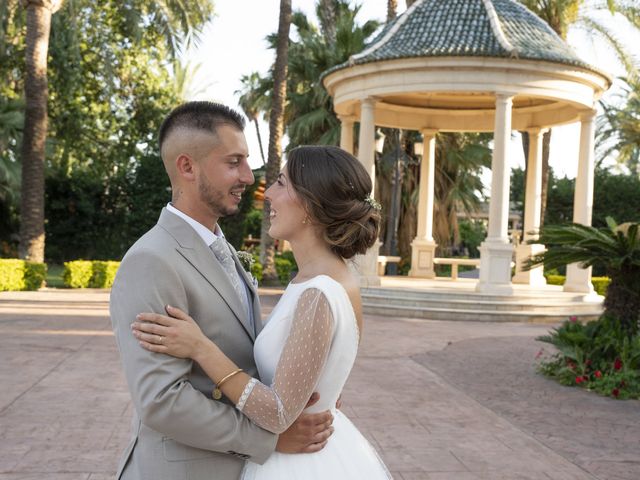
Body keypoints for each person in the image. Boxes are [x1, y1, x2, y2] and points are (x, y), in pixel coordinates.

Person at [132, 145, 393, 479]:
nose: (268, 193)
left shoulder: (317, 293)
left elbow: (279, 415)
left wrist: (200, 347)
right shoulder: (333, 279)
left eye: (282, 183)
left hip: (299, 464)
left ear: (311, 207)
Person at [110, 101, 334, 480]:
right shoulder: (150, 261)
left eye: (246, 161)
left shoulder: (222, 249)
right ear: (187, 167)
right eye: (234, 163)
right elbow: (161, 401)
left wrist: (300, 398)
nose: (249, 177)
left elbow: (245, 356)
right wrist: (269, 439)